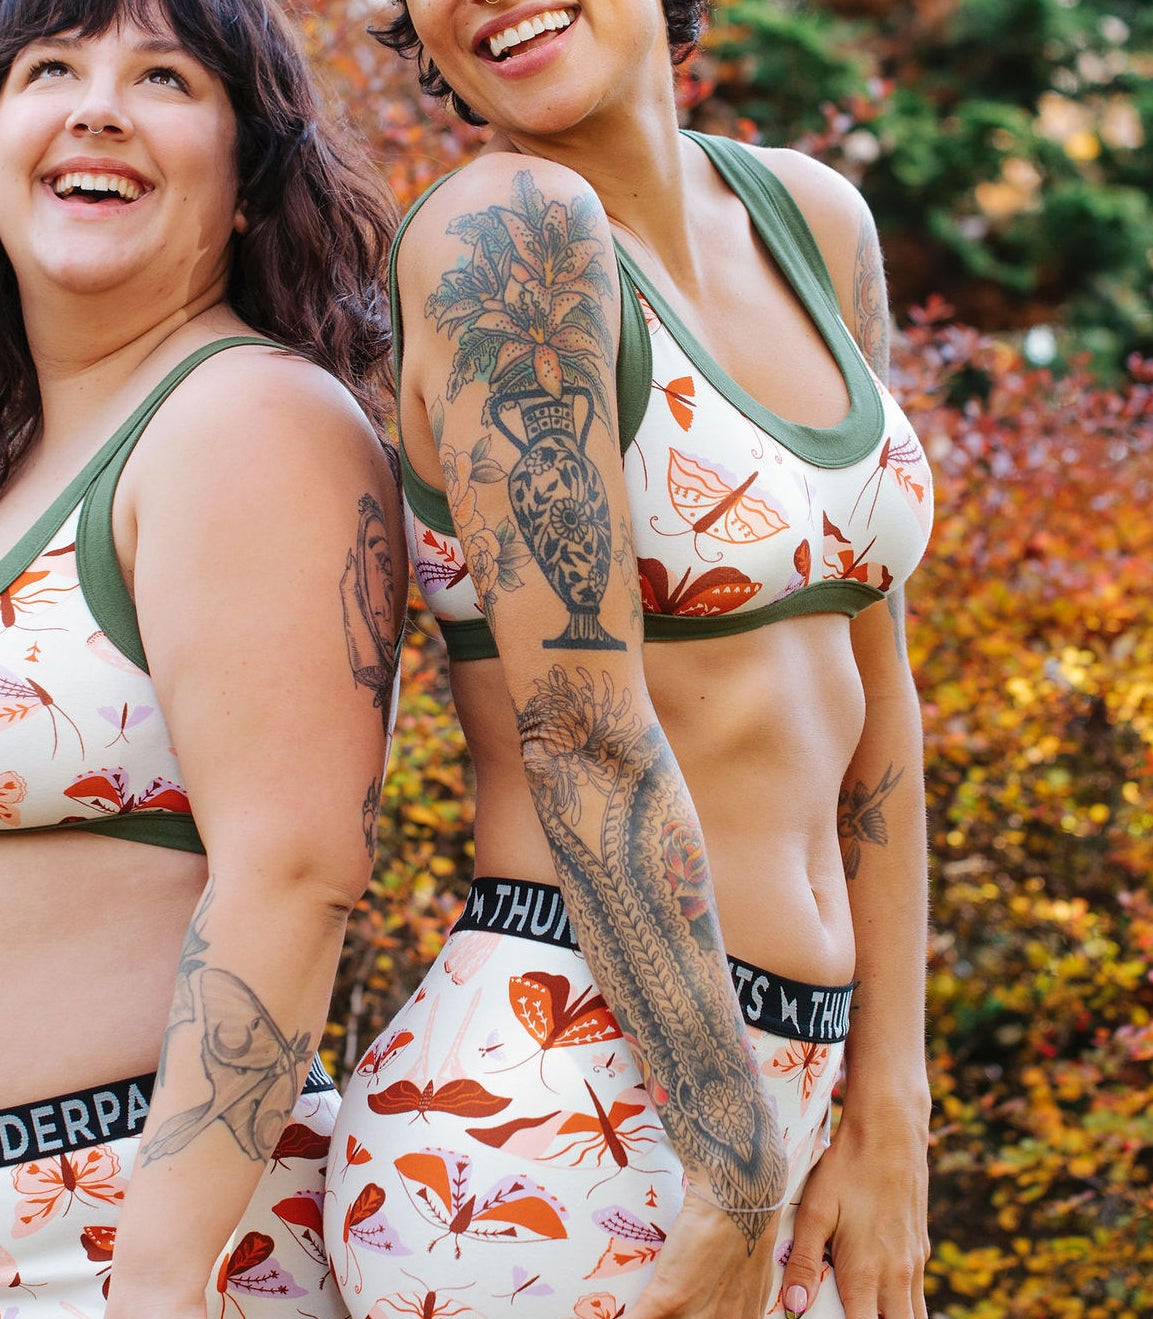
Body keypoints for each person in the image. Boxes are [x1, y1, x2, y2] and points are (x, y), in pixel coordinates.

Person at [0, 0, 402, 1313]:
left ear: (245, 182)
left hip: (122, 1255)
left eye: (161, 75)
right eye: (50, 66)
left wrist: (159, 1287)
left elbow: (293, 872)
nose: (95, 103)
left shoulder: (249, 419)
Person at [326, 2, 932, 1318]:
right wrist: (732, 1176)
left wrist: (889, 1107)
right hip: (558, 1101)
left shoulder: (811, 221)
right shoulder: (507, 238)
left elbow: (875, 690)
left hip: (795, 1108)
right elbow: (581, 730)